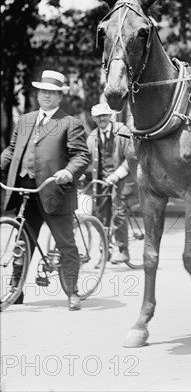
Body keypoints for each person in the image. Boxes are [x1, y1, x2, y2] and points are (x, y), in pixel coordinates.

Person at [0, 69, 91, 310]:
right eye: (43, 91)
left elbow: (81, 155)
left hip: (54, 190)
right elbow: (11, 150)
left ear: (60, 97)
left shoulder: (70, 122)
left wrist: (68, 172)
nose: (46, 96)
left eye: (52, 93)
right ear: (38, 93)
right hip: (25, 191)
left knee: (65, 244)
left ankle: (72, 292)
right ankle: (15, 291)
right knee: (22, 242)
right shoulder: (26, 119)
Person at [86, 102, 137, 264]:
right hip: (101, 181)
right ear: (94, 118)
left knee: (118, 212)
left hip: (123, 178)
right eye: (98, 116)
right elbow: (84, 159)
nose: (102, 119)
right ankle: (105, 250)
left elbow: (132, 156)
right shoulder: (93, 137)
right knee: (98, 214)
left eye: (104, 115)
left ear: (110, 116)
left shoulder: (122, 131)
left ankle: (123, 250)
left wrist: (116, 175)